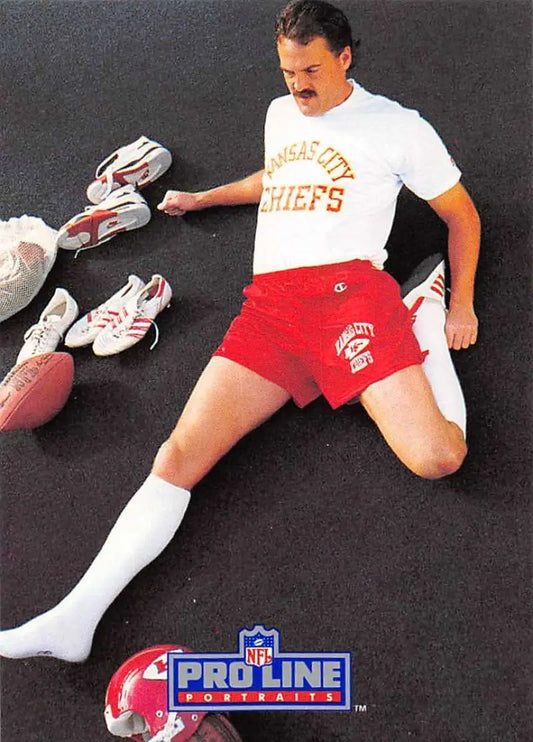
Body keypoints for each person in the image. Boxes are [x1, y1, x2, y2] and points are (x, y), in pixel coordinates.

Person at [0, 0, 480, 663]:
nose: (298, 86)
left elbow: (462, 215)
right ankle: (73, 621)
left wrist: (463, 308)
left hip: (348, 297)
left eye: (311, 69)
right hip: (272, 309)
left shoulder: (399, 129)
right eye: (287, 71)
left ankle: (420, 306)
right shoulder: (284, 114)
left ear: (343, 58)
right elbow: (277, 178)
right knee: (176, 457)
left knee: (438, 458)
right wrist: (205, 198)